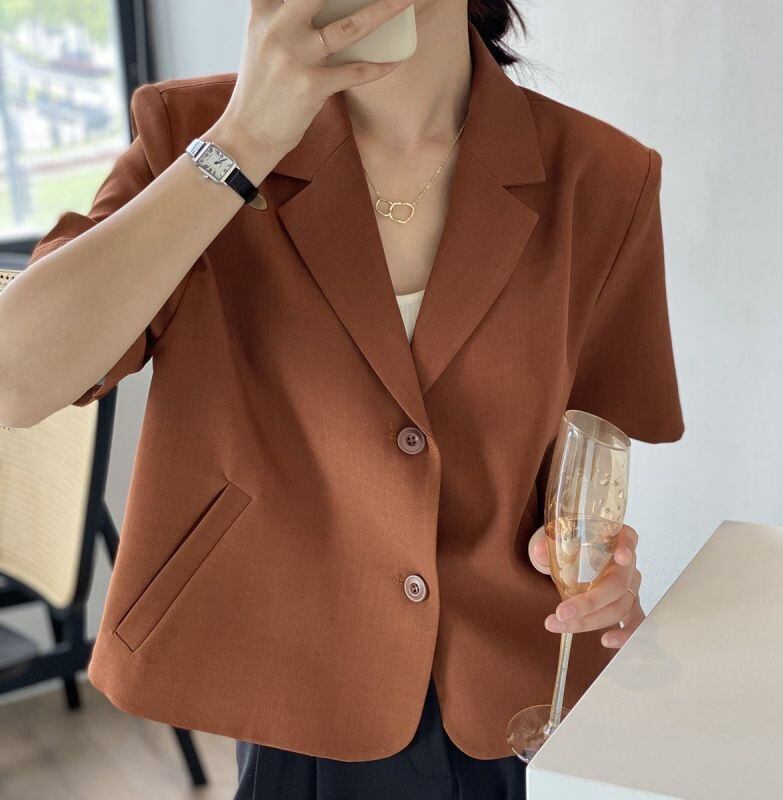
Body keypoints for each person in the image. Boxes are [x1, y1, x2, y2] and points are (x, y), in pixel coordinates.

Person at [0, 0, 684, 797]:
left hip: (500, 696)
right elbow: (18, 380)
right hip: (286, 675)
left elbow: (588, 452)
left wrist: (603, 573)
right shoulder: (192, 134)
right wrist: (243, 142)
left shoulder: (603, 177)